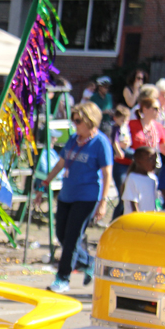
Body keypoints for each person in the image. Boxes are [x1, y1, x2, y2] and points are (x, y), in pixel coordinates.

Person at [41, 102, 113, 294]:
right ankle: (89, 262)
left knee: (72, 238)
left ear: (90, 121)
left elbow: (107, 173)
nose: (75, 124)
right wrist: (45, 182)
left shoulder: (101, 143)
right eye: (74, 120)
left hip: (86, 196)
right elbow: (60, 164)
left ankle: (62, 278)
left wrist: (103, 202)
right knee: (61, 235)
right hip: (67, 194)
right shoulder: (73, 139)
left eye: (78, 121)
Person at [109, 104, 133, 219]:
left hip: (127, 158)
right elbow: (115, 142)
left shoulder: (125, 128)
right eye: (122, 119)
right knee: (123, 195)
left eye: (126, 120)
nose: (124, 122)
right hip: (120, 160)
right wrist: (119, 152)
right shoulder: (116, 128)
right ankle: (114, 220)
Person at [121, 147, 159, 213]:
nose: (154, 162)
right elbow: (133, 205)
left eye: (155, 159)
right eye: (150, 159)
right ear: (138, 160)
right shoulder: (132, 179)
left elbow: (156, 202)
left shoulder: (153, 178)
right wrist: (139, 220)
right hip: (136, 221)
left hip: (149, 220)